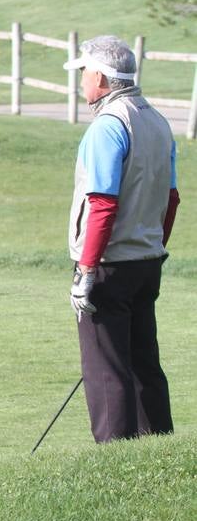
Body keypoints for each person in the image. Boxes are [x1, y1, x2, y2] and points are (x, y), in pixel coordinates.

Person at [63, 35, 179, 443]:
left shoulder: (108, 126)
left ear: (100, 76)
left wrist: (87, 270)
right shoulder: (158, 122)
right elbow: (171, 199)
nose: (81, 82)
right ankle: (159, 450)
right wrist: (152, 246)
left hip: (110, 265)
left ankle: (115, 460)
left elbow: (102, 204)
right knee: (143, 361)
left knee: (106, 370)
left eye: (83, 73)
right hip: (147, 262)